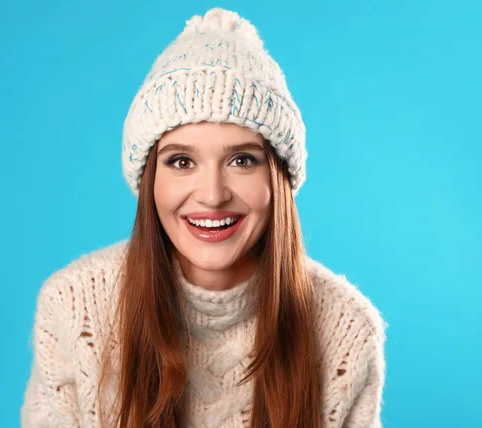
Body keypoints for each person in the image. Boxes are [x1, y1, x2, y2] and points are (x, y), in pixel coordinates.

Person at [21, 7, 387, 428]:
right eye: (181, 161)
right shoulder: (73, 308)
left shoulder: (347, 330)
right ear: (149, 181)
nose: (213, 195)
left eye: (242, 160)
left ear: (278, 180)